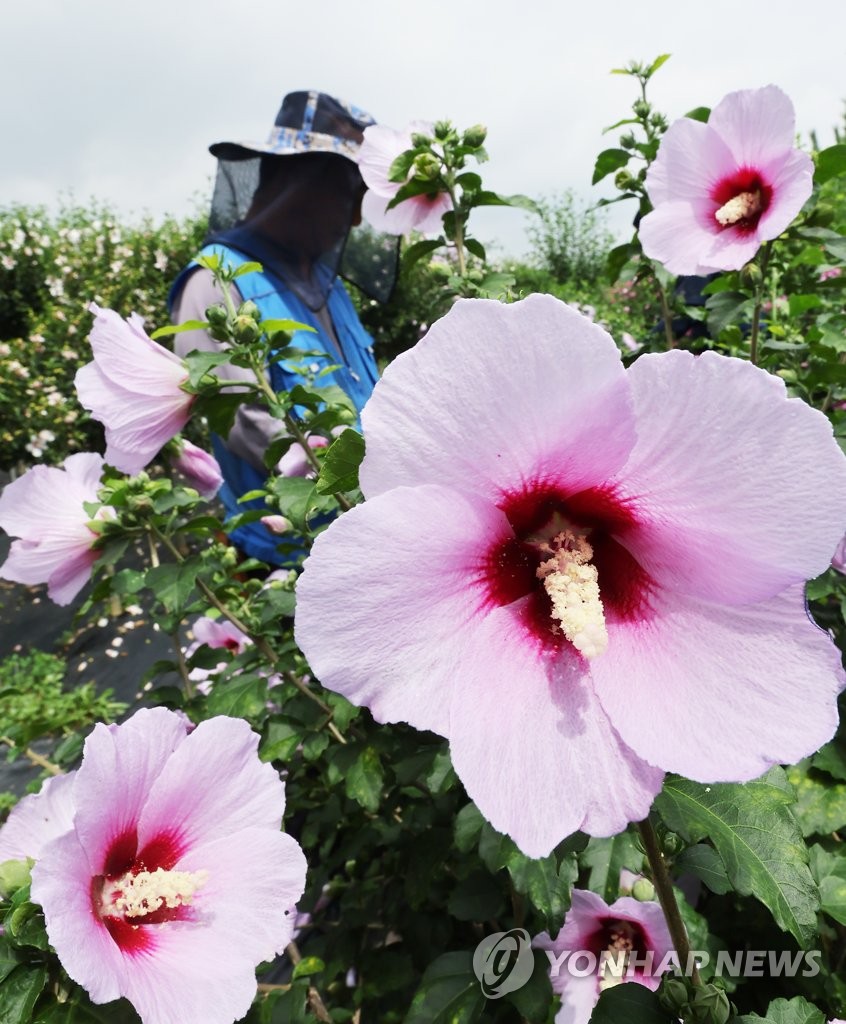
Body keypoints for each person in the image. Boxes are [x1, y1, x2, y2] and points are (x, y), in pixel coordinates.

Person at [169, 91, 397, 566]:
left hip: (367, 540)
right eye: (348, 195)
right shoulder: (215, 283)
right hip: (292, 555)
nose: (355, 219)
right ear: (300, 184)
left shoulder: (325, 285)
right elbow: (249, 425)